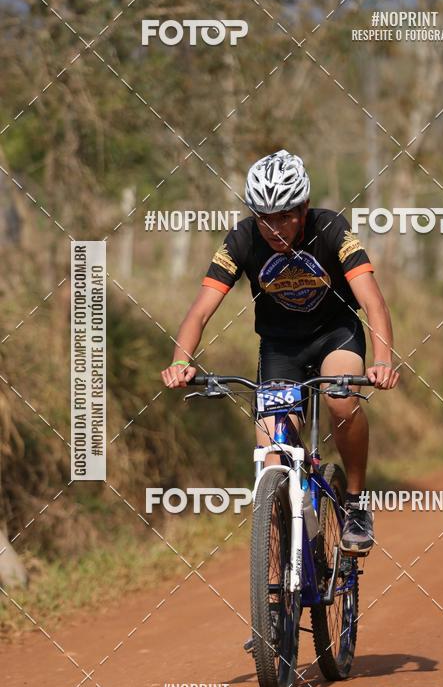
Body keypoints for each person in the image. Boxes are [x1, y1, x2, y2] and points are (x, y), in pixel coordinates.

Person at [161, 149, 399, 555]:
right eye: (264, 217)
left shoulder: (331, 229)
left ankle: (357, 501)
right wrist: (181, 360)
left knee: (340, 400)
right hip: (280, 347)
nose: (275, 227)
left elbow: (373, 302)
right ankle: (276, 588)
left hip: (334, 336)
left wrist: (382, 361)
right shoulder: (241, 239)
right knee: (272, 459)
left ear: (304, 208)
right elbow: (200, 311)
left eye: (286, 215)